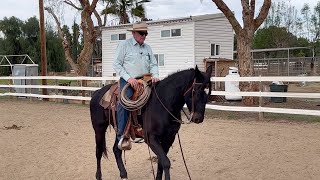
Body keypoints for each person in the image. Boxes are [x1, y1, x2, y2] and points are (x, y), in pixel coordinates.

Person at [113, 21, 159, 145]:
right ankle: (122, 134)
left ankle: (154, 129)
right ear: (134, 33)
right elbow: (116, 64)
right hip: (129, 80)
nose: (144, 36)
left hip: (145, 79)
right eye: (141, 33)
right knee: (125, 101)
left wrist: (155, 75)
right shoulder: (124, 45)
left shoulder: (147, 48)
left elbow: (153, 64)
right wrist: (129, 79)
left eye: (145, 34)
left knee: (159, 97)